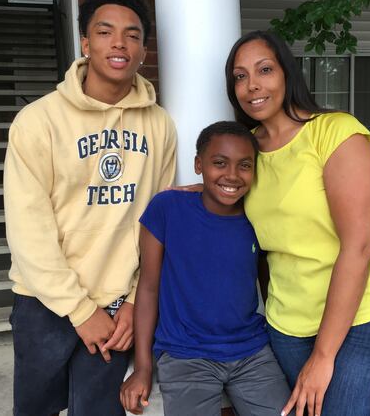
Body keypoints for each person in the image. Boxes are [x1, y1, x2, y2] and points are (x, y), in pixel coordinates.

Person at [223, 30, 370, 416]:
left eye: (264, 70)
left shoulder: (335, 132)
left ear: (287, 74)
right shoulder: (245, 151)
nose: (252, 85)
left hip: (368, 318)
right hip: (289, 327)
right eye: (240, 76)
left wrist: (324, 355)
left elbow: (360, 246)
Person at [3, 0, 176, 416]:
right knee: (36, 408)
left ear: (142, 50)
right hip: (45, 302)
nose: (119, 43)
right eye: (104, 31)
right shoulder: (37, 121)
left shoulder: (159, 125)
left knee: (98, 409)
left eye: (133, 35)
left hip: (118, 304)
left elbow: (160, 220)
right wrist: (79, 310)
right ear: (85, 42)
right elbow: (29, 229)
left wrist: (137, 300)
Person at [120, 121, 292, 416]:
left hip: (250, 350)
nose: (232, 175)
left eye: (244, 166)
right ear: (199, 164)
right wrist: (143, 367)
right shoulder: (168, 208)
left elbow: (269, 285)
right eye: (219, 163)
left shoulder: (257, 216)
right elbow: (149, 287)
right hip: (185, 353)